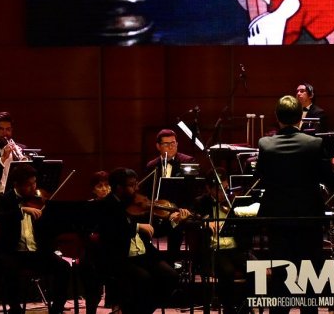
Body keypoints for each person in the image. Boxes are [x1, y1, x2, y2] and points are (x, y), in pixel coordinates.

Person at [256, 94, 334, 314]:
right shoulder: (315, 144)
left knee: (280, 276)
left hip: (278, 220)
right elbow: (330, 179)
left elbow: (260, 177)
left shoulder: (265, 144)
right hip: (308, 219)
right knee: (309, 276)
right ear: (301, 117)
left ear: (277, 117)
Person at [94, 168, 179, 314]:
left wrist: (173, 221)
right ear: (119, 188)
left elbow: (155, 232)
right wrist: (137, 226)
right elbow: (112, 231)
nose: (137, 188)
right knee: (144, 279)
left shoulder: (137, 204)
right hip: (121, 257)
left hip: (143, 254)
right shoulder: (106, 205)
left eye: (136, 184)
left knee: (171, 276)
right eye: (132, 185)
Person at [0, 163, 70, 314]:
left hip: (37, 252)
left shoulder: (40, 200)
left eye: (34, 183)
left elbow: (50, 230)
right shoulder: (5, 200)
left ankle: (57, 308)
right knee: (9, 269)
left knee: (63, 267)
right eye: (29, 185)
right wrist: (21, 210)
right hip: (13, 252)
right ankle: (15, 309)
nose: (34, 188)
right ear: (16, 184)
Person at [190, 171, 248, 314]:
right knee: (227, 271)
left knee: (255, 268)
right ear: (208, 188)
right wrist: (204, 223)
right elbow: (191, 219)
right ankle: (229, 309)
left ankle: (244, 307)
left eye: (226, 188)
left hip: (235, 248)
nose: (224, 193)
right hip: (214, 250)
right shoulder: (201, 202)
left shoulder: (233, 201)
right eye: (220, 189)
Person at [144, 128, 195, 262]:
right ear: (158, 146)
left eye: (173, 143)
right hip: (158, 210)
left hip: (180, 209)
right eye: (166, 144)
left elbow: (191, 192)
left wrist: (177, 211)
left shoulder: (188, 162)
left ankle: (172, 263)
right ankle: (153, 262)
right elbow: (147, 192)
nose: (171, 147)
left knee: (177, 227)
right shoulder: (151, 166)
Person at [79, 171, 111, 314]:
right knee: (88, 264)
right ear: (93, 189)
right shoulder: (88, 206)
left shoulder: (117, 206)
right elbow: (84, 231)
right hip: (94, 249)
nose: (104, 189)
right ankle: (91, 305)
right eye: (100, 186)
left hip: (113, 249)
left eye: (107, 185)